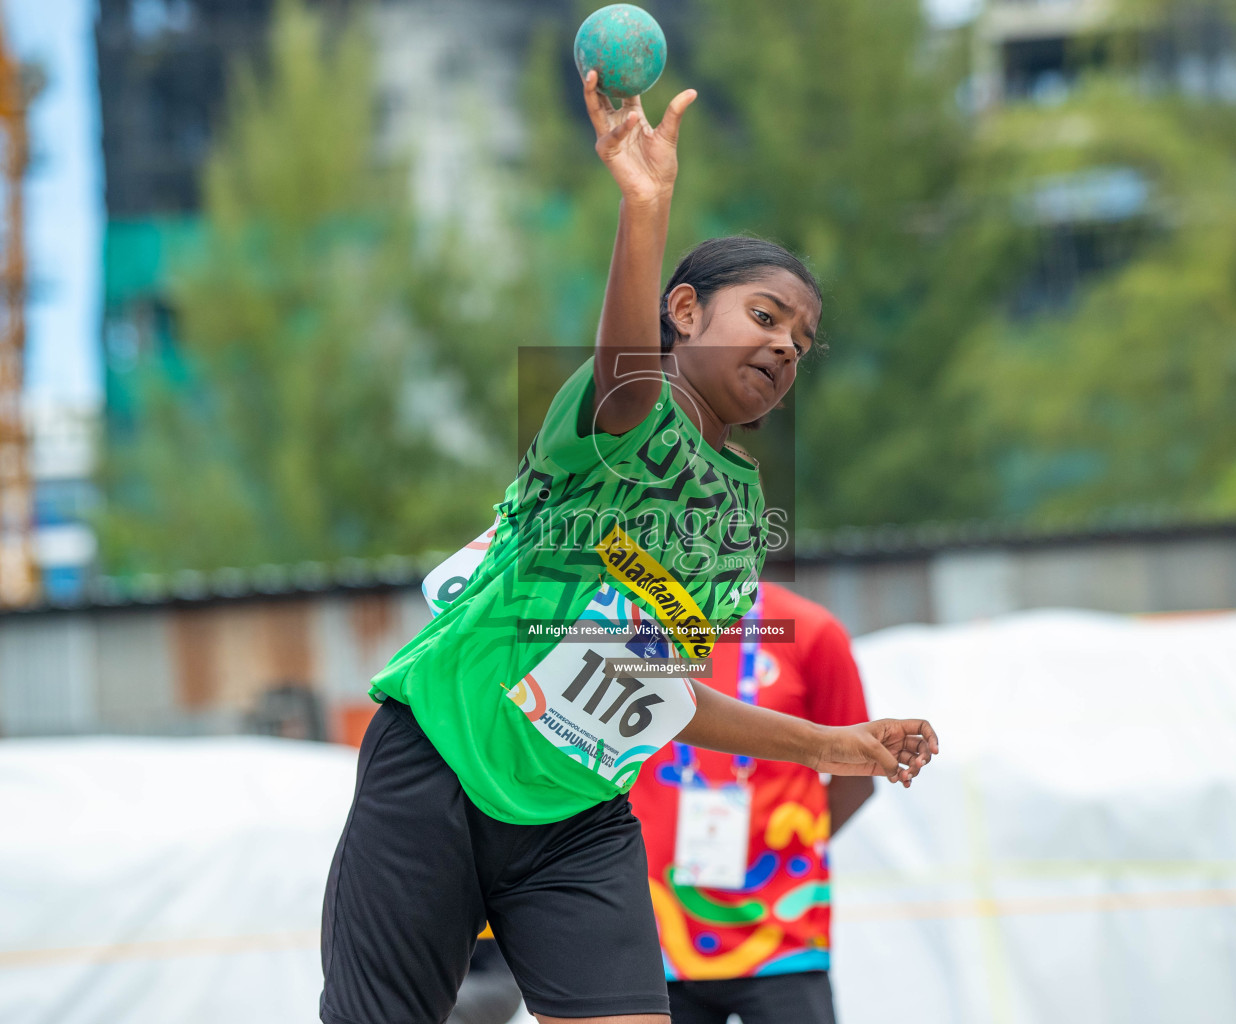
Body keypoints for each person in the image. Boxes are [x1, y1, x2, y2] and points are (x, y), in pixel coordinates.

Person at [319, 69, 938, 1024]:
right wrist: (644, 206)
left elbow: (658, 692)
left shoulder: (737, 517)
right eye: (764, 318)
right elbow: (624, 366)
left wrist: (833, 745)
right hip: (441, 760)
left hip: (576, 818)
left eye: (801, 342)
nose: (783, 348)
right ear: (685, 313)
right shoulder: (627, 415)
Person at [628, 583, 873, 1024]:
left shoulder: (811, 630)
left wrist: (786, 850)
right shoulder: (623, 625)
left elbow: (857, 777)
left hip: (782, 939)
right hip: (653, 938)